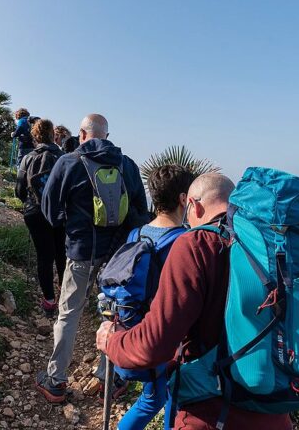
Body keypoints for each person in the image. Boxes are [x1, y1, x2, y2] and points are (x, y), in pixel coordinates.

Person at [96, 173, 293, 430]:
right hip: (276, 409)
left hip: (212, 414)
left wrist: (112, 341)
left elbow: (155, 344)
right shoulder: (271, 247)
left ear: (194, 205)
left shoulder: (196, 244)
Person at [35, 113, 149, 403]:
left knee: (69, 314)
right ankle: (106, 380)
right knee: (112, 316)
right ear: (106, 137)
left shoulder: (69, 162)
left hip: (81, 252)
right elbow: (140, 209)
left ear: (82, 134)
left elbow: (50, 211)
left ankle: (56, 381)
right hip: (117, 257)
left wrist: (72, 225)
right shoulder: (127, 165)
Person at [110, 164, 194, 430]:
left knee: (153, 397)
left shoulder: (138, 233)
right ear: (183, 199)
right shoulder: (184, 242)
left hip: (136, 329)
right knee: (171, 397)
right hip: (167, 340)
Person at [15, 119, 66, 317]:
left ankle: (49, 301)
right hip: (60, 214)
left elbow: (19, 189)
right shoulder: (64, 157)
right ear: (54, 135)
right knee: (61, 254)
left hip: (35, 212)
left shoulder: (28, 158)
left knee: (44, 256)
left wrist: (28, 202)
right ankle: (64, 295)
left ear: (35, 136)